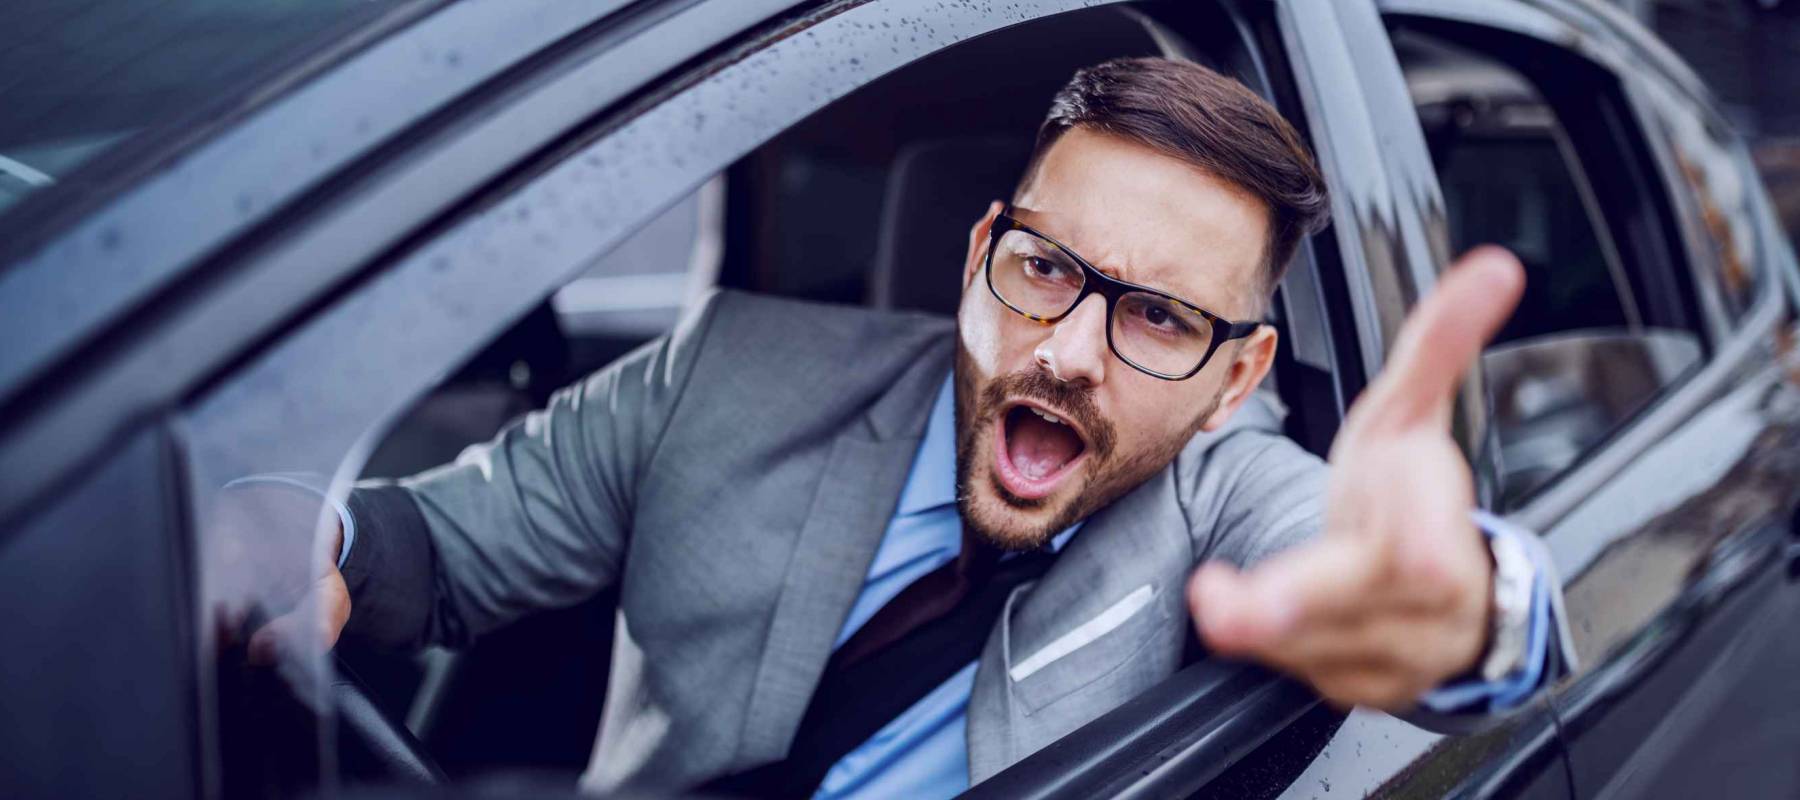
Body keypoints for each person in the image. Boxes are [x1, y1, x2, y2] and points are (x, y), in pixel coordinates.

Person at [241, 57, 1572, 798]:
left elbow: (1401, 581)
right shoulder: (724, 371)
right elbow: (435, 546)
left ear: (1237, 379)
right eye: (1046, 269)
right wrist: (310, 542)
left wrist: (1470, 604)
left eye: (1160, 318)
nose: (1068, 351)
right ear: (981, 250)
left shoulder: (1229, 494)